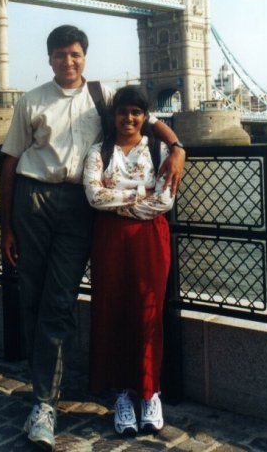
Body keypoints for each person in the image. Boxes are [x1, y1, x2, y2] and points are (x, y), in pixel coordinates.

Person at [0, 25, 185, 451]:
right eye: (61, 55)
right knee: (32, 299)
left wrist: (176, 148)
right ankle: (43, 398)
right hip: (34, 200)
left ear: (85, 57)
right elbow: (9, 161)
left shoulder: (102, 97)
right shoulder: (31, 101)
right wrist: (6, 224)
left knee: (59, 301)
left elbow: (147, 117)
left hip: (79, 208)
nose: (69, 61)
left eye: (76, 54)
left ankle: (47, 403)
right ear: (49, 59)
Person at [83, 85, 175, 436]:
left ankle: (151, 393)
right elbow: (94, 196)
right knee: (113, 311)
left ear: (145, 116)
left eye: (137, 112)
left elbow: (164, 199)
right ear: (114, 115)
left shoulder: (160, 149)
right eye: (123, 111)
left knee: (149, 311)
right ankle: (122, 395)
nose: (129, 118)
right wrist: (140, 193)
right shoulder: (99, 151)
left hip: (150, 238)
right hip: (110, 239)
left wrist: (119, 197)